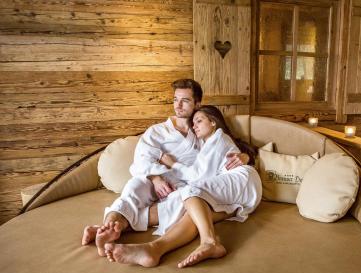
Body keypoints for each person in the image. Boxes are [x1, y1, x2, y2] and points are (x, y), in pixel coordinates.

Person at [81, 79, 248, 257]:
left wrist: (245, 156)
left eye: (185, 100)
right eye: (175, 99)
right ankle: (107, 227)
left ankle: (114, 229)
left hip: (187, 183)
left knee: (181, 201)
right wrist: (155, 178)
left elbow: (227, 146)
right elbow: (141, 159)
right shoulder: (157, 131)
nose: (178, 105)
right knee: (133, 187)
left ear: (197, 103)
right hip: (156, 178)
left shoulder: (201, 129)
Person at [104, 106, 262, 268]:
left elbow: (198, 176)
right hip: (242, 194)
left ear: (213, 122)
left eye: (199, 121)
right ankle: (153, 249)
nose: (195, 126)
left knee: (189, 192)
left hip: (242, 179)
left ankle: (210, 241)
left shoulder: (219, 138)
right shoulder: (205, 143)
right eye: (193, 123)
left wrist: (173, 163)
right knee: (194, 213)